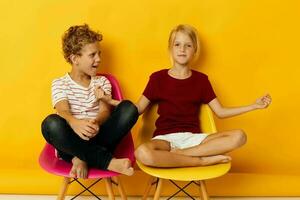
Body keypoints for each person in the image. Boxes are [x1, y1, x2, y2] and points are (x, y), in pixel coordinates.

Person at [95, 24, 272, 168]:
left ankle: (181, 156)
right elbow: (137, 109)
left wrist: (254, 106)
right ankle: (200, 161)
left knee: (240, 136)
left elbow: (221, 112)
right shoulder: (158, 78)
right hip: (165, 140)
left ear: (195, 49)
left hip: (195, 139)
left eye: (188, 45)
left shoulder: (202, 80)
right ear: (170, 49)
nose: (182, 49)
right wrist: (110, 101)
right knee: (142, 153)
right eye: (177, 44)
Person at [41, 24, 138, 179]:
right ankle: (108, 162)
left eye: (99, 54)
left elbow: (105, 111)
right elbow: (62, 110)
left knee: (129, 108)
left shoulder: (102, 82)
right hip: (71, 139)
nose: (98, 59)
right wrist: (75, 123)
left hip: (99, 136)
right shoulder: (60, 83)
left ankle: (80, 158)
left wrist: (95, 123)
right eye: (92, 55)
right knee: (50, 123)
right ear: (75, 59)